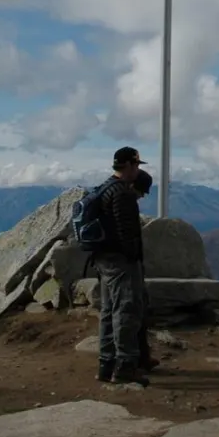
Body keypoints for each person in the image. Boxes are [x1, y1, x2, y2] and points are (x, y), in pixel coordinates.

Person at [94, 146, 150, 386]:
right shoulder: (122, 194)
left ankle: (106, 365)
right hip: (120, 262)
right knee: (126, 310)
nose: (137, 171)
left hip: (103, 259)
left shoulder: (104, 188)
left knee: (108, 311)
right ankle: (126, 366)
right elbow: (127, 231)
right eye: (136, 165)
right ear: (127, 165)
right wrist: (133, 256)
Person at [132, 168, 159, 373]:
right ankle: (132, 361)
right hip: (125, 264)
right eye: (143, 191)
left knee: (133, 311)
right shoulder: (122, 201)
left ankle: (139, 358)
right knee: (131, 311)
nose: (142, 196)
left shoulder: (112, 195)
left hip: (116, 264)